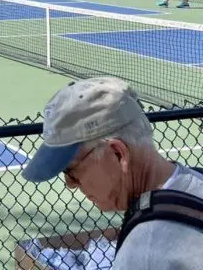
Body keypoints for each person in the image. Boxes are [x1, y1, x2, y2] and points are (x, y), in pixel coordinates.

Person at [22, 76, 203, 269]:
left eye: (71, 170)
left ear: (118, 154)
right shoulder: (195, 179)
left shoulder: (144, 253)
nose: (70, 183)